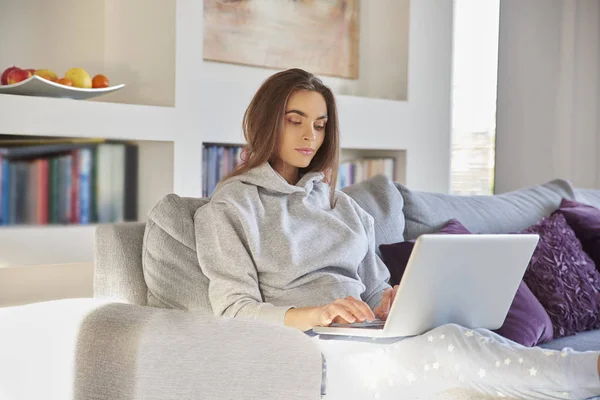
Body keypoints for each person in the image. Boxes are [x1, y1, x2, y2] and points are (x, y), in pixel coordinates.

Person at [194, 68, 600, 399]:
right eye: (294, 120)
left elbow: (371, 289)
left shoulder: (342, 206)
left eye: (319, 125)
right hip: (314, 347)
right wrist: (317, 314)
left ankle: (579, 377)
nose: (309, 137)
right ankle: (587, 370)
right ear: (265, 122)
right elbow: (232, 310)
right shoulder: (233, 205)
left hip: (368, 337)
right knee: (451, 348)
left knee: (462, 340)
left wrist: (388, 302)